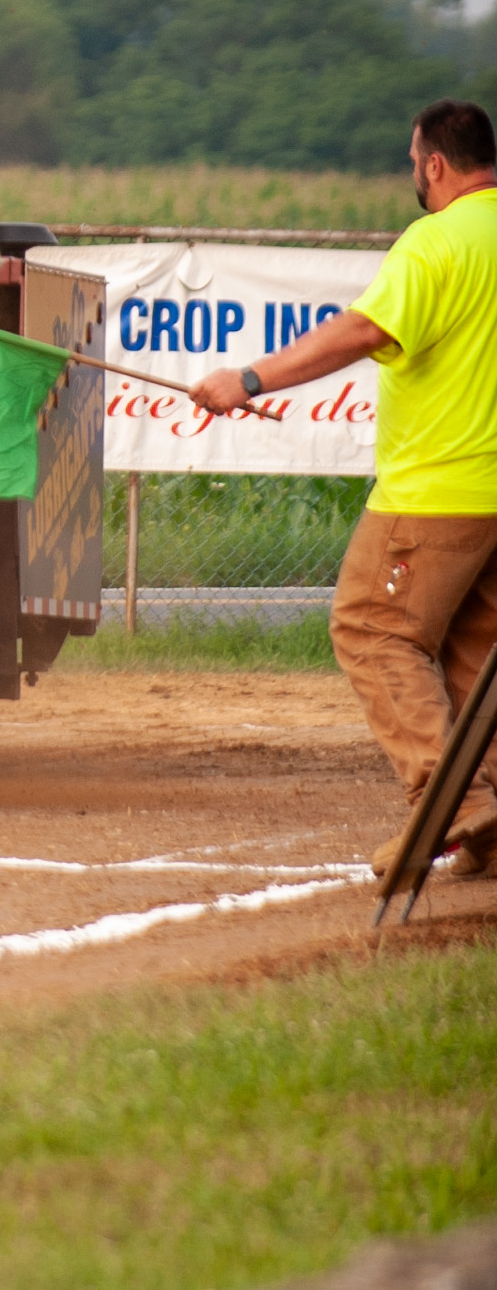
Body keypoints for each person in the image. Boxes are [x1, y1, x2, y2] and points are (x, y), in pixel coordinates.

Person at [192, 99, 497, 876]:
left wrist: (250, 376)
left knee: (372, 627)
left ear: (435, 163)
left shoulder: (437, 242)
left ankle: (453, 803)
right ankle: (492, 820)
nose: (412, 177)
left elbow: (365, 329)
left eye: (412, 163)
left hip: (436, 490)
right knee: (472, 654)